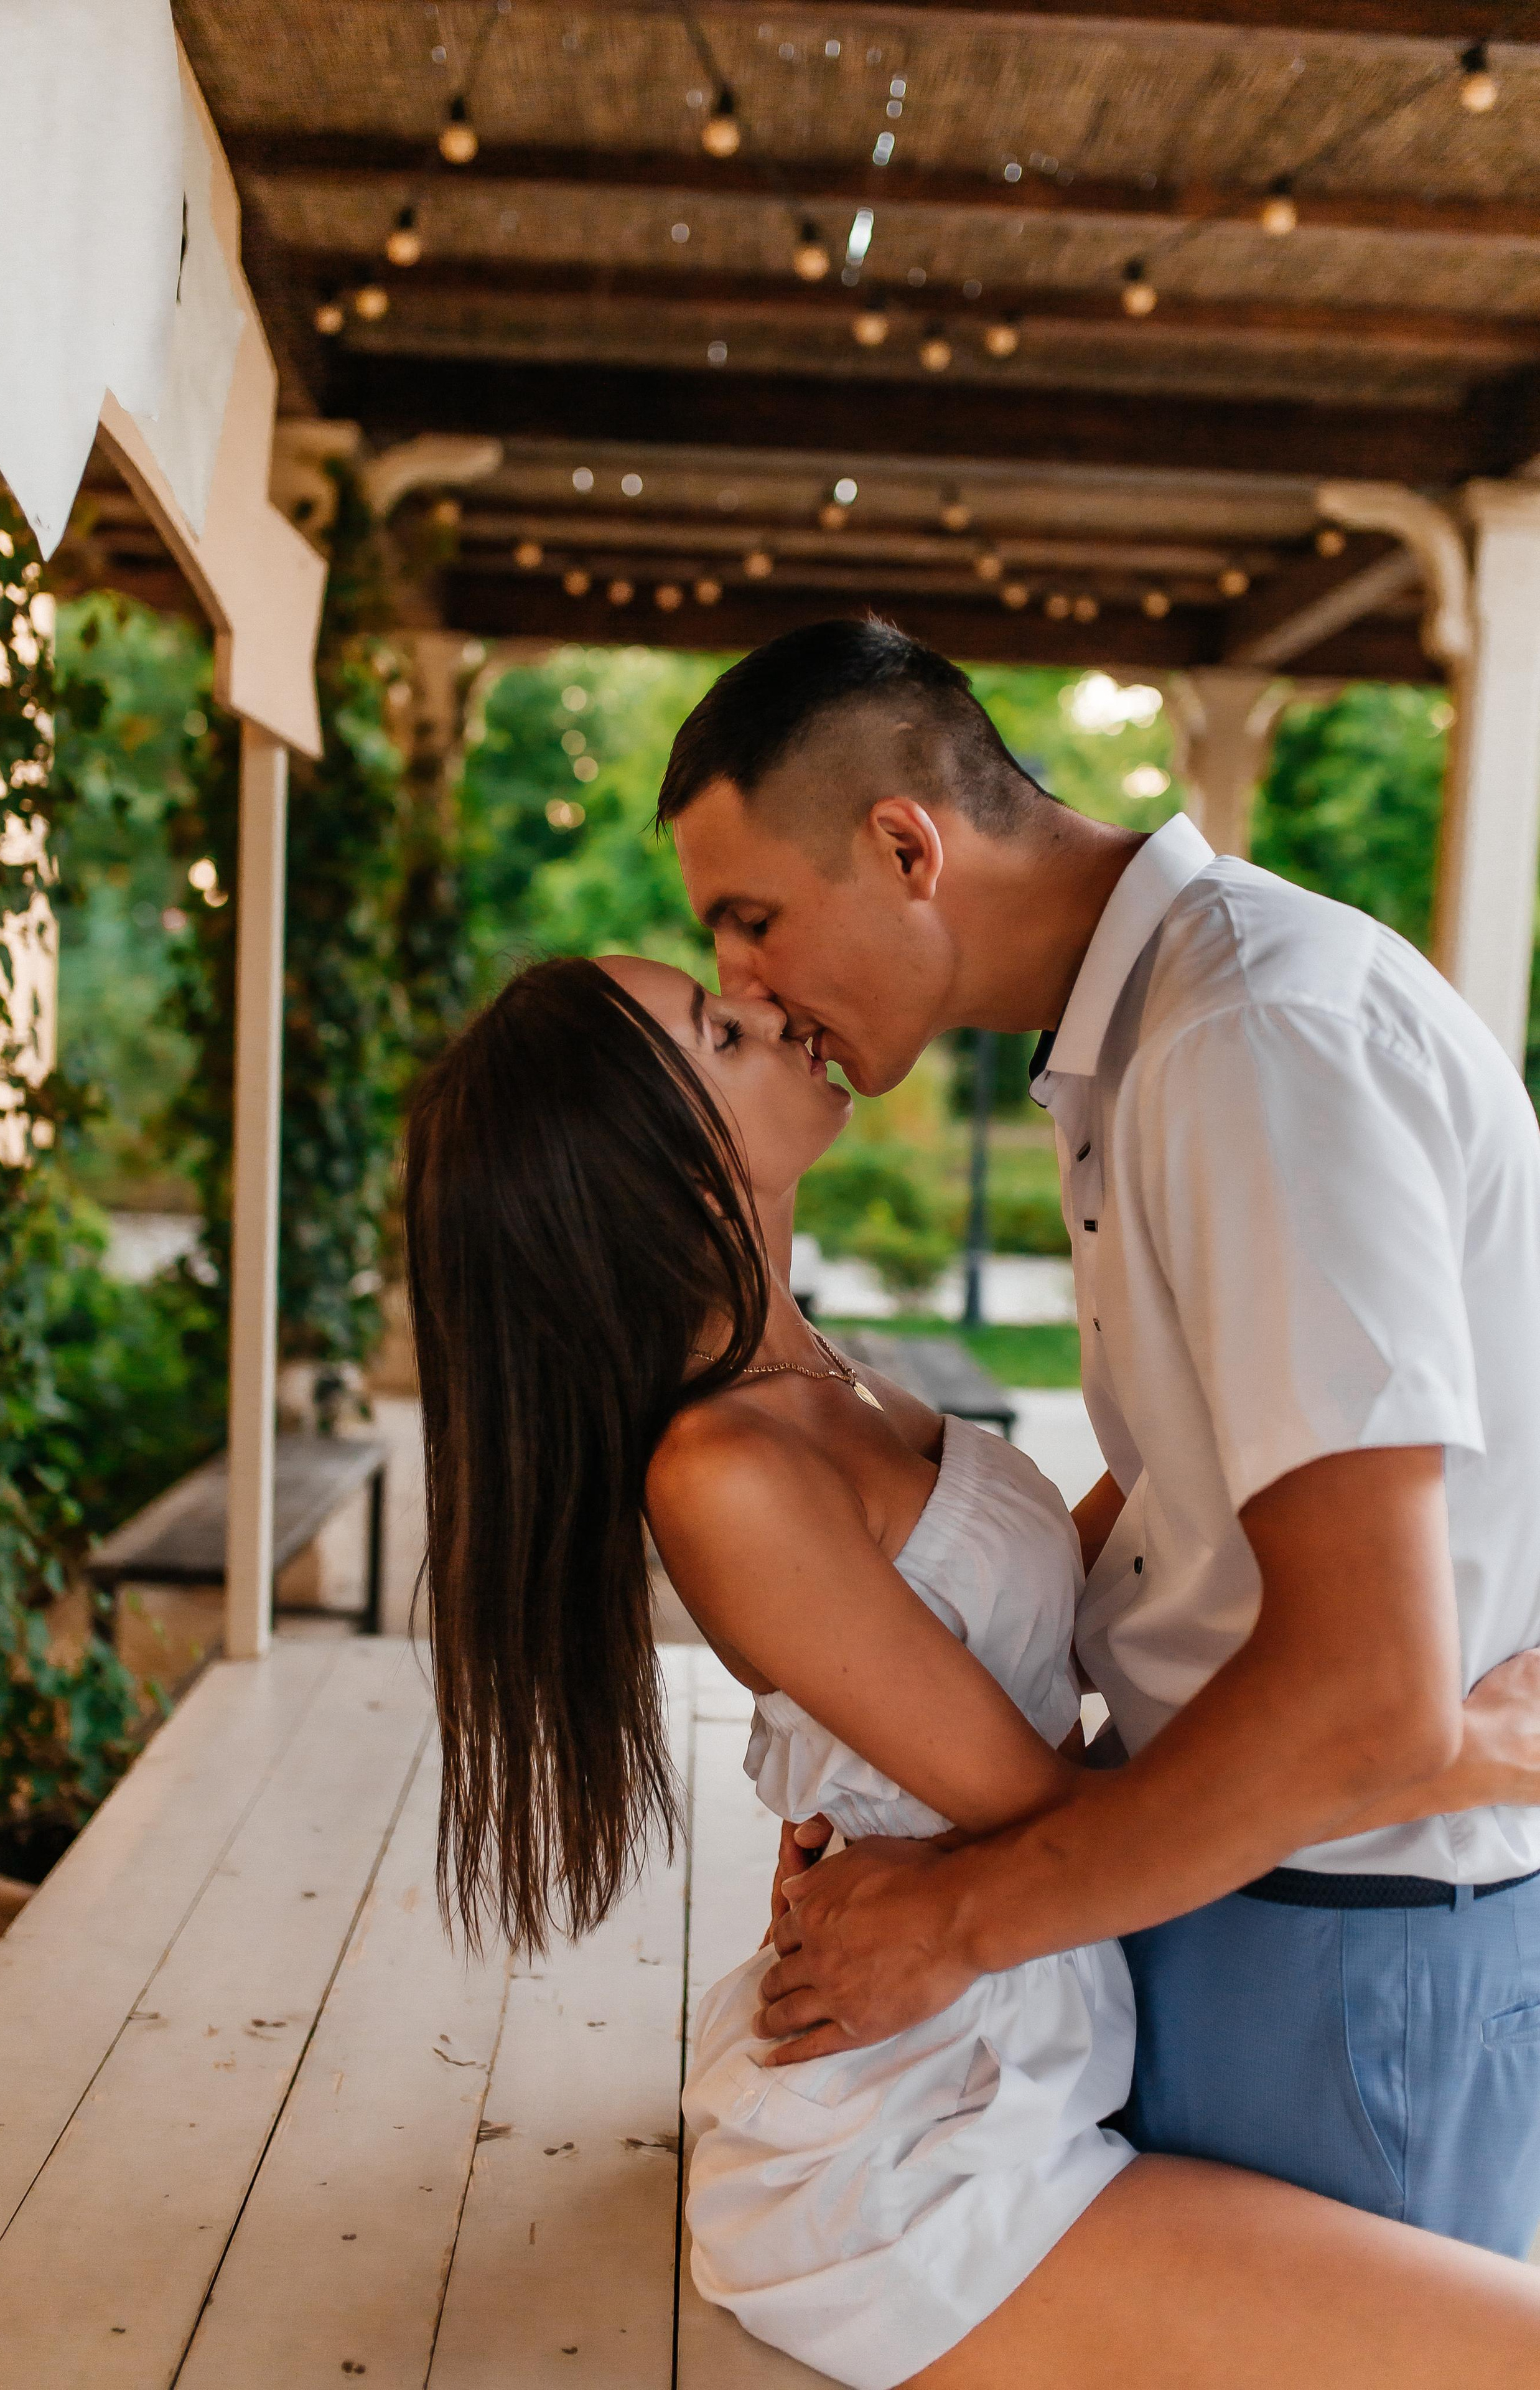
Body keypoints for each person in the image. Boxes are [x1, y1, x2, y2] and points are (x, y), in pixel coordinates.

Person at [403, 950, 1540, 2390]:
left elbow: (1016, 1618)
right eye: (721, 1029)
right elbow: (1038, 1806)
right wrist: (1453, 1744)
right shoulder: (725, 1469)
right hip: (914, 2152)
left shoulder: (820, 1379)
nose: (777, 1007)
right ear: (655, 1164)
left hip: (1018, 2051)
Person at [655, 615, 1540, 2264]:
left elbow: (1370, 1693)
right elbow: (1193, 1502)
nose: (748, 989)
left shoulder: (1248, 1041)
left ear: (905, 844)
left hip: (1350, 1935)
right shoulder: (1152, 1042)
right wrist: (890, 1760)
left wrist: (955, 1916)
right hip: (1209, 1881)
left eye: (755, 924)